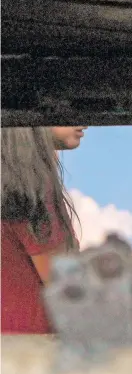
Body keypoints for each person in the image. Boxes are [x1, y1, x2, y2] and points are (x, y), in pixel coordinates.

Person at [1, 126, 85, 334]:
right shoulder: (31, 189)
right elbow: (76, 300)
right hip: (32, 360)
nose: (84, 120)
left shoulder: (9, 184)